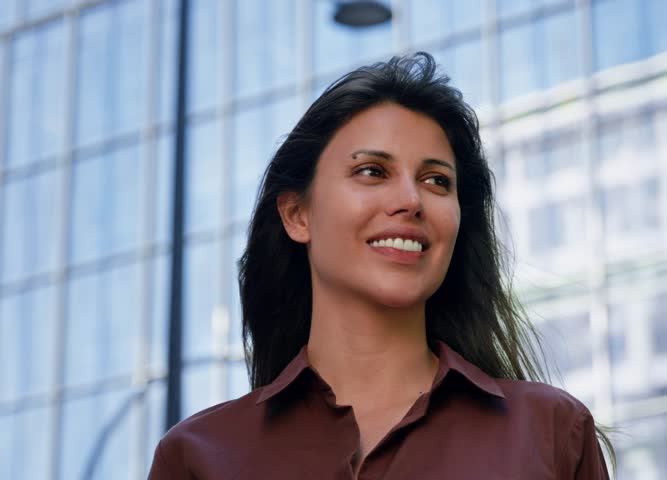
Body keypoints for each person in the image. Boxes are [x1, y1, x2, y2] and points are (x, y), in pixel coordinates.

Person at [148, 52, 614, 479]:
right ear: (297, 214)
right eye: (372, 171)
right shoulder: (198, 455)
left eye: (436, 180)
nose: (410, 201)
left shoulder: (552, 433)